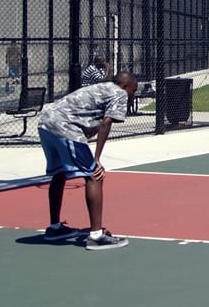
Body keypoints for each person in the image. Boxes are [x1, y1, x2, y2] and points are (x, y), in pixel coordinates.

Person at [37, 70, 138, 249]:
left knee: (59, 174)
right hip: (64, 126)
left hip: (45, 123)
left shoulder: (102, 87)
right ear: (124, 86)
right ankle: (96, 236)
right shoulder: (119, 93)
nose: (133, 95)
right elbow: (106, 123)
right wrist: (97, 158)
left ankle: (55, 228)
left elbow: (95, 121)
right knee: (94, 175)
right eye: (133, 90)